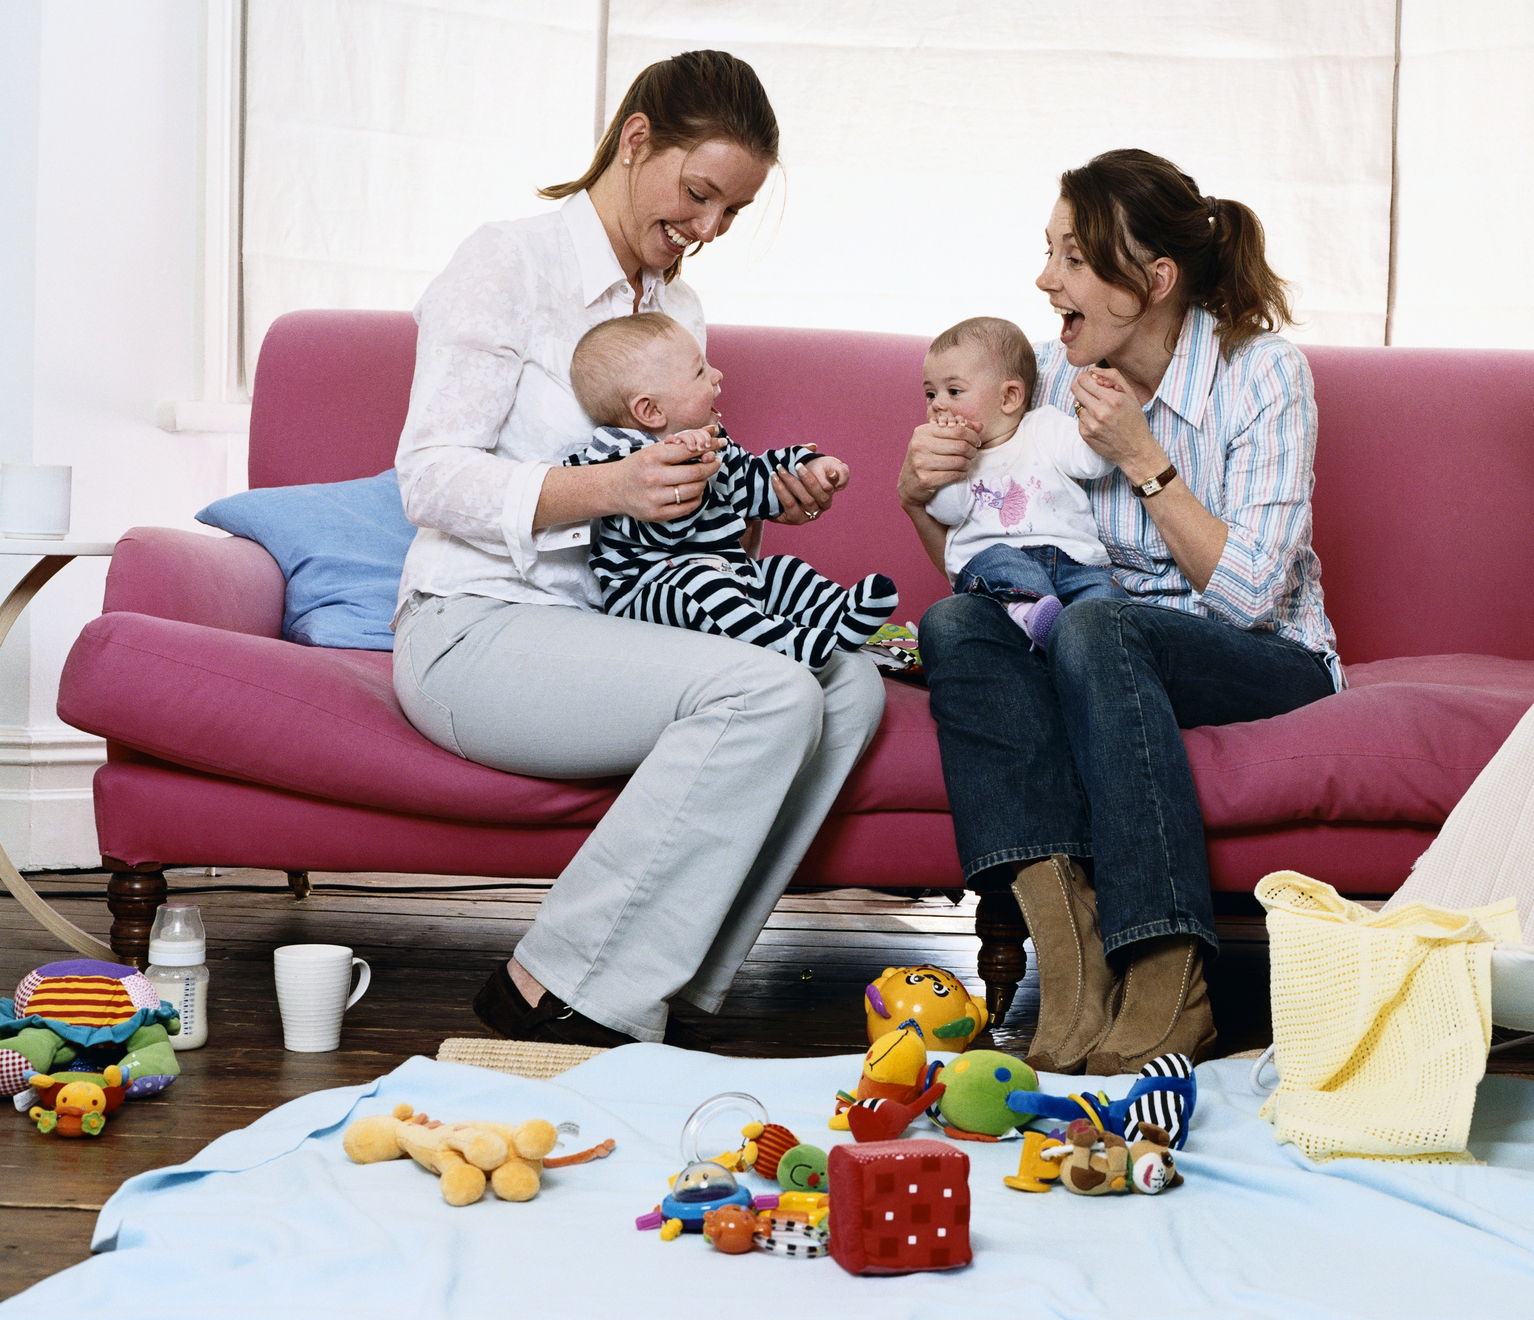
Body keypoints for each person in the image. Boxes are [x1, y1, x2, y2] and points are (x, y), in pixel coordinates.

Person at [392, 51, 885, 1048]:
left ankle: (658, 983)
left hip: (615, 635)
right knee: (768, 690)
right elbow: (428, 473)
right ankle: (553, 986)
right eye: (699, 194)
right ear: (634, 139)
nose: (707, 230)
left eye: (731, 213)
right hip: (476, 627)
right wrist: (602, 488)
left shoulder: (676, 313)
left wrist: (759, 504)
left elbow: (678, 537)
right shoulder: (509, 261)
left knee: (850, 685)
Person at [899, 149, 1341, 1076]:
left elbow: (1257, 595)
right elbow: (989, 568)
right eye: (1048, 250)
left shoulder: (1261, 375)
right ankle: (1074, 960)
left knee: (1101, 624)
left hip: (1256, 656)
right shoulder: (1051, 385)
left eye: (1071, 256)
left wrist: (1144, 457)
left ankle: (1168, 973)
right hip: (1093, 647)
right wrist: (917, 498)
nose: (1044, 278)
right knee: (954, 626)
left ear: (1153, 281)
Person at [564, 311, 898, 669]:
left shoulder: (713, 442)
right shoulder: (615, 456)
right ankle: (784, 645)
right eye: (699, 372)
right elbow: (666, 527)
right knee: (703, 587)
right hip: (652, 591)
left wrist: (807, 469)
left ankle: (838, 616)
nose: (717, 374)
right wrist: (685, 460)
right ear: (650, 410)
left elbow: (754, 479)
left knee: (782, 571)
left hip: (729, 569)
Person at [921, 315, 1126, 649]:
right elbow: (949, 513)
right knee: (998, 560)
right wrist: (952, 461)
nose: (938, 404)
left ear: (1010, 397)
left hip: (1072, 560)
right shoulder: (952, 457)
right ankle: (1029, 612)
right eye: (930, 394)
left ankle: (1091, 641)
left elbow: (1093, 463)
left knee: (1104, 597)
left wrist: (1105, 417)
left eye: (953, 391)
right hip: (1000, 566)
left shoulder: (1044, 427)